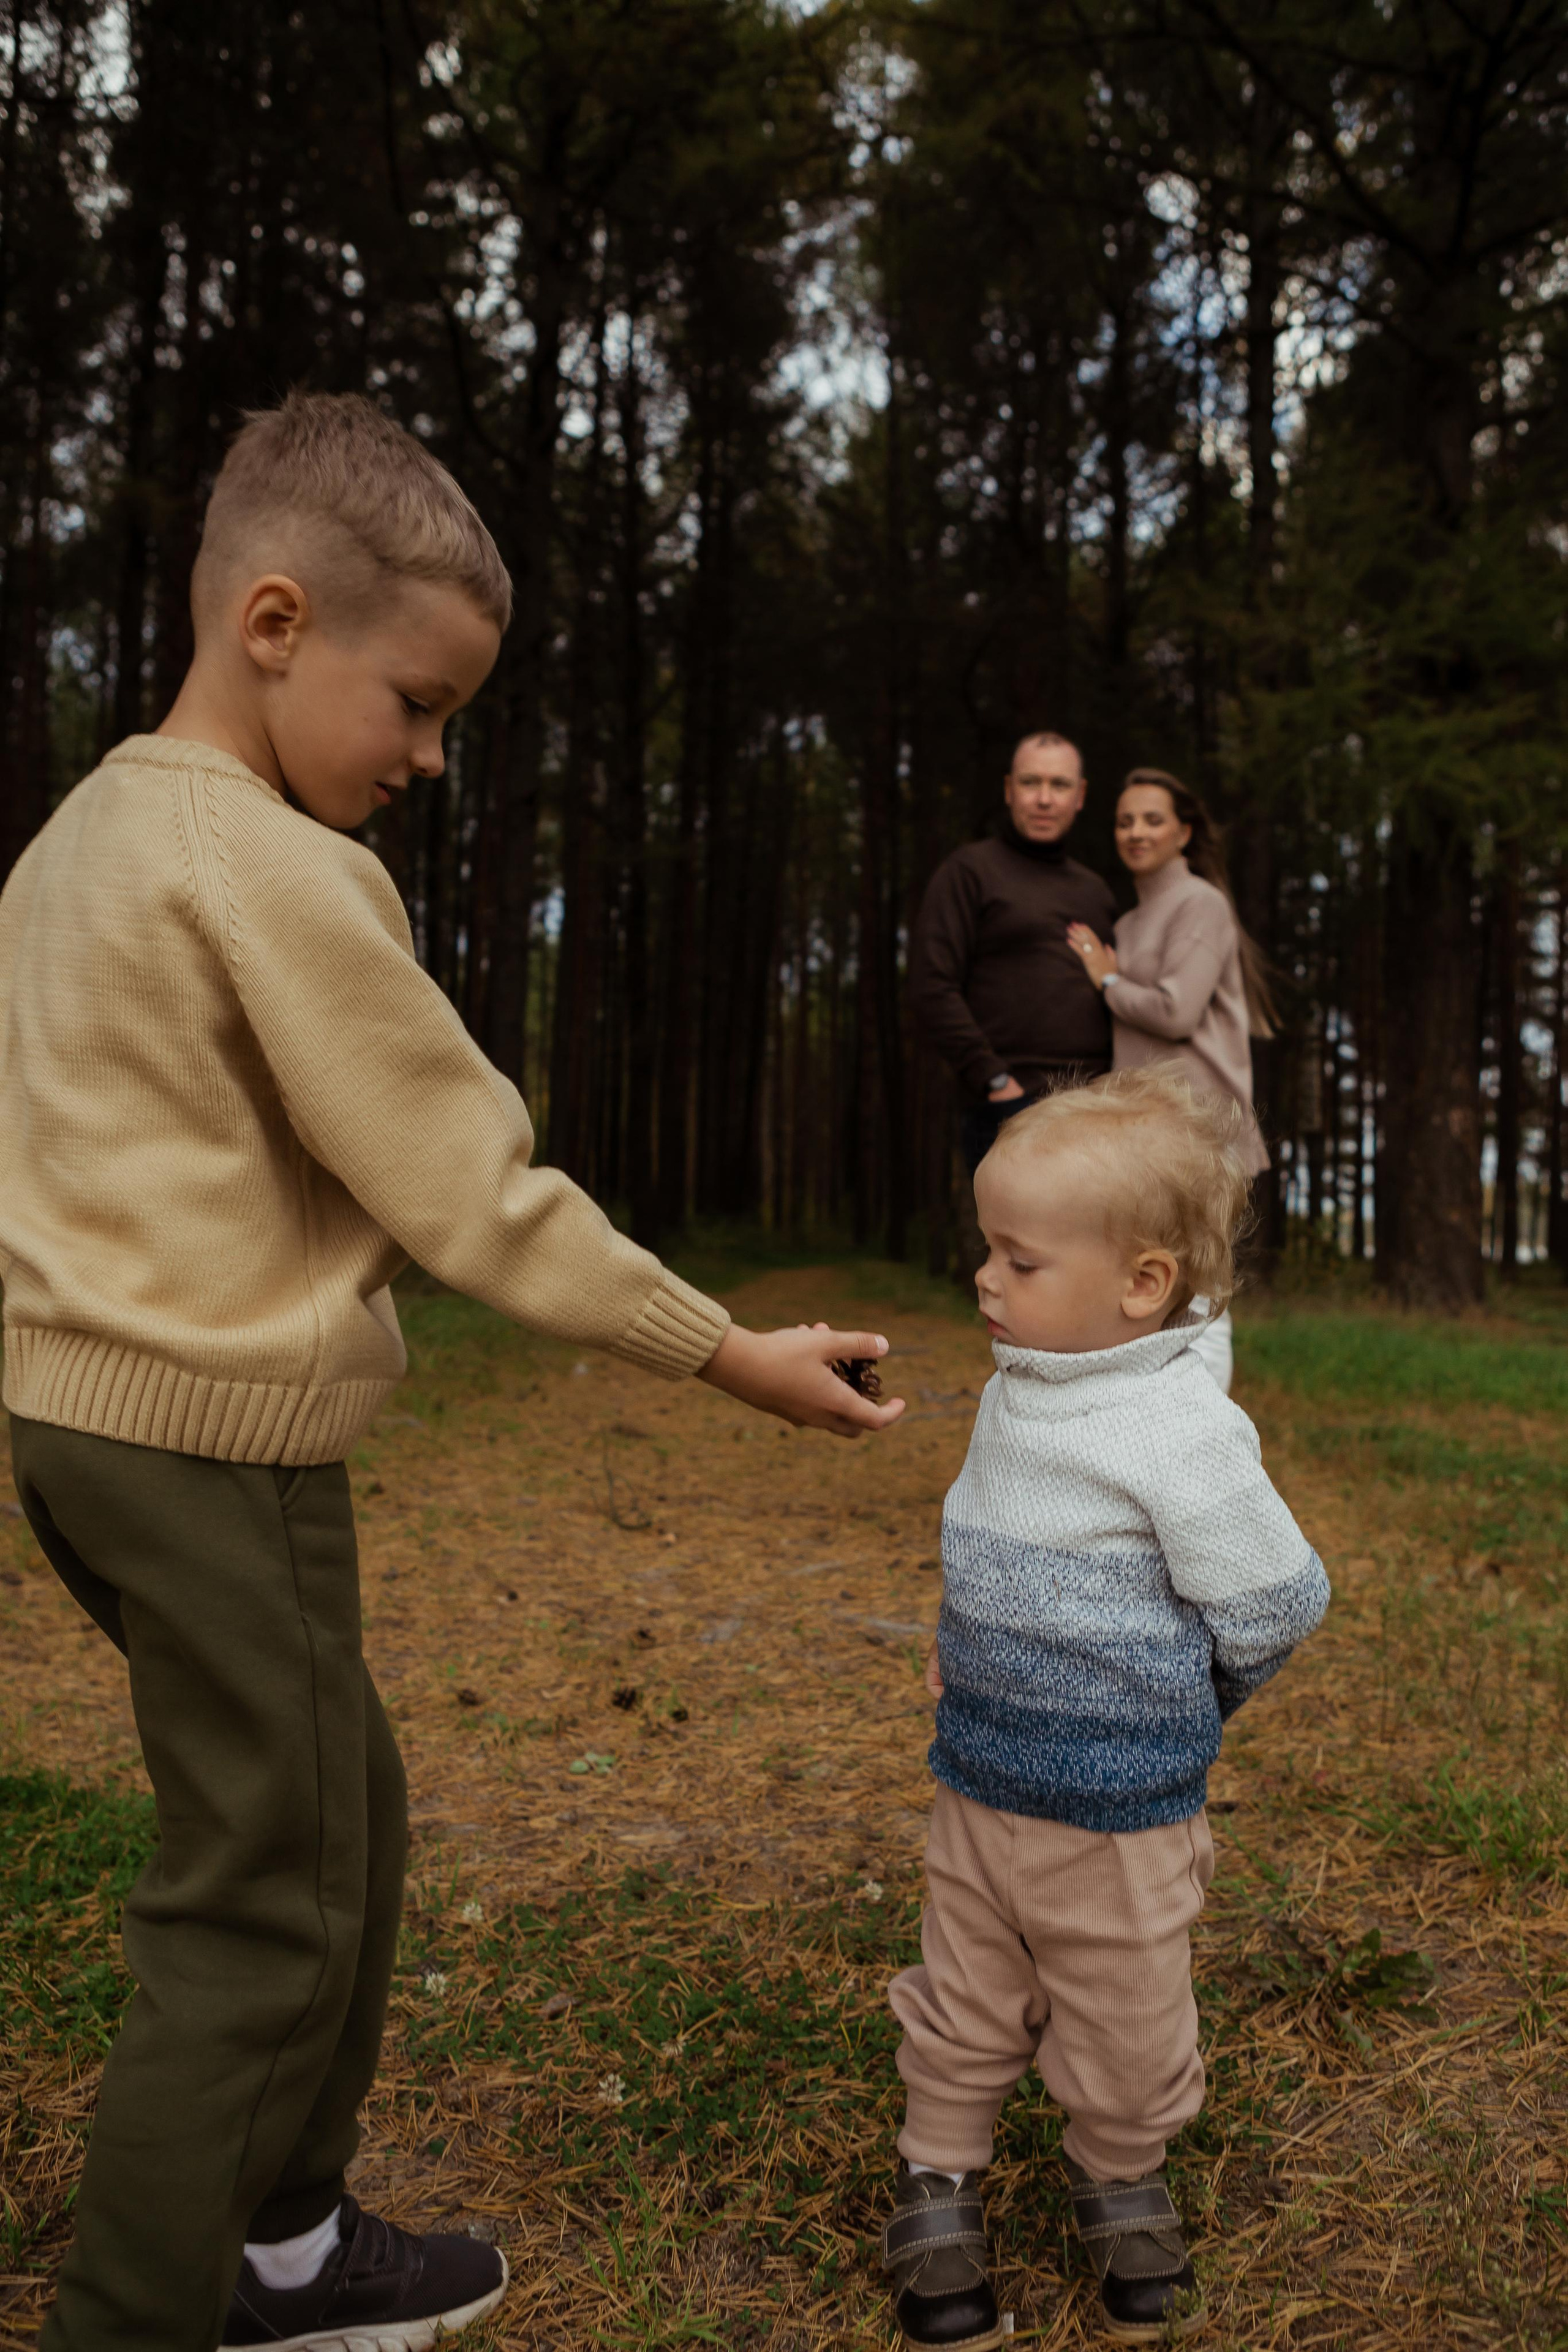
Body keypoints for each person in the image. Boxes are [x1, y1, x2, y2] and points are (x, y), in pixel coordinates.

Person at [0, 391, 904, 2352]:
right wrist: (725, 1346)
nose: (425, 752)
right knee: (260, 1900)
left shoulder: (76, 842)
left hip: (82, 1425)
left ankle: (290, 2243)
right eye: (414, 701)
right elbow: (468, 1183)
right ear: (270, 623)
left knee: (342, 1817)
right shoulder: (270, 868)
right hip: (204, 1446)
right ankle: (155, 2308)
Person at [878, 1070, 1328, 2349]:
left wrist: (1185, 1706)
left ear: (1139, 1284)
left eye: (1016, 1259)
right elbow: (999, 1541)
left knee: (1125, 2023)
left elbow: (1278, 1600)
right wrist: (967, 1645)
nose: (982, 1279)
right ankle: (938, 2176)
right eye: (986, 1249)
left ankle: (1120, 2170)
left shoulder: (1176, 1428)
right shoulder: (1029, 1378)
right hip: (976, 1787)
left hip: (1118, 1821)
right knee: (960, 2001)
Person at [1068, 769, 1276, 1395]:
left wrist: (1105, 982)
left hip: (1203, 1126)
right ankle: (1163, 1435)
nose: (1135, 832)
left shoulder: (1200, 904)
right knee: (1155, 1287)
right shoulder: (1130, 925)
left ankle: (1208, 1445)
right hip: (1150, 1130)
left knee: (1203, 1292)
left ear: (1183, 832)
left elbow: (1178, 1012)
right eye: (1125, 820)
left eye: (1152, 819)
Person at [910, 731, 1117, 1177]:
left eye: (1059, 785)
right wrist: (994, 1080)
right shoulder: (970, 872)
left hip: (1095, 1111)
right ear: (1009, 790)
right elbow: (932, 985)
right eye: (1031, 783)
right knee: (1019, 1248)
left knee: (1091, 1248)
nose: (1044, 799)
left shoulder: (1096, 892)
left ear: (1080, 796)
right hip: (1012, 1106)